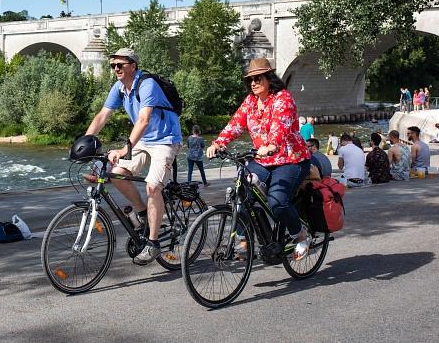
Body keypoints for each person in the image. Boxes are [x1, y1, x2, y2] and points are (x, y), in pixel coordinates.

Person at [206, 57, 312, 260]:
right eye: (250, 80)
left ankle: (300, 235)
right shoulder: (251, 102)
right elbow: (235, 124)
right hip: (263, 160)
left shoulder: (283, 98)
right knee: (241, 193)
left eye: (258, 78)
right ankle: (246, 240)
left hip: (291, 159)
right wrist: (219, 143)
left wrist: (271, 145)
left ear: (269, 78)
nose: (253, 83)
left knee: (277, 201)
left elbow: (280, 126)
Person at [84, 48, 183, 265]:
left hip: (166, 139)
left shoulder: (147, 84)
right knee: (117, 173)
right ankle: (142, 213)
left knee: (152, 187)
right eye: (113, 66)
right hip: (144, 140)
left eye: (120, 65)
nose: (116, 69)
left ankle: (153, 243)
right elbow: (102, 116)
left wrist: (124, 149)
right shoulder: (119, 88)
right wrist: (84, 143)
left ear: (133, 65)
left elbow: (144, 119)